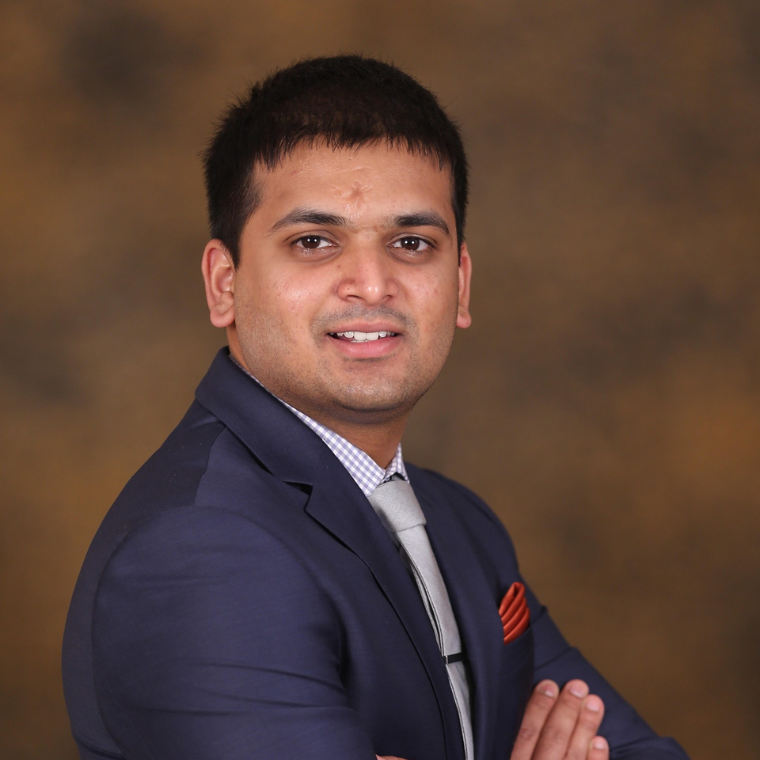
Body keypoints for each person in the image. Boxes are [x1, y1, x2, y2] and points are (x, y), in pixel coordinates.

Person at [62, 55, 689, 760]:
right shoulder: (200, 547)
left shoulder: (461, 523)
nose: (371, 283)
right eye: (313, 242)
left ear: (460, 284)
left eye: (411, 243)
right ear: (224, 284)